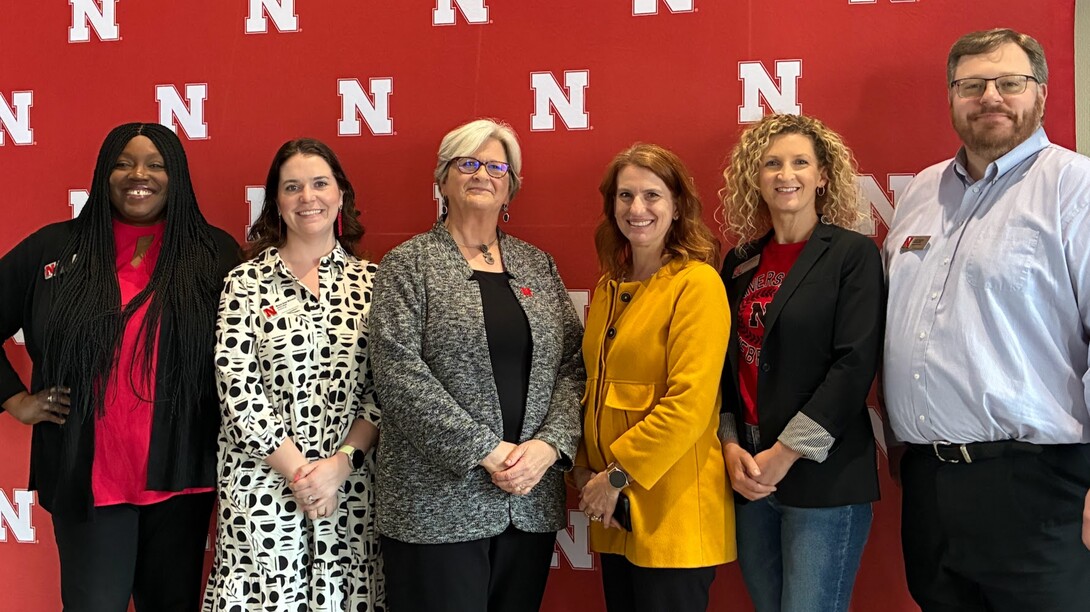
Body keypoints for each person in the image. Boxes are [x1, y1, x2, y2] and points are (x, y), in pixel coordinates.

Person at [884, 28, 1090, 611]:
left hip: (1038, 487)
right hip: (929, 488)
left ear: (1042, 94)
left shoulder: (1076, 189)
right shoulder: (922, 192)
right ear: (951, 97)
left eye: (1009, 82)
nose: (990, 96)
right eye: (972, 85)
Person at [0, 122, 239, 611]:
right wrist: (15, 400)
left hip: (181, 477)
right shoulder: (52, 249)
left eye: (156, 164)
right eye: (124, 162)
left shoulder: (214, 253)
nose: (139, 174)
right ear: (103, 174)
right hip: (89, 477)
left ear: (177, 176)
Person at [369, 118, 585, 612]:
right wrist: (487, 451)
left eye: (495, 166)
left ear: (511, 186)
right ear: (443, 179)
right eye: (467, 163)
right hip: (434, 506)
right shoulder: (409, 264)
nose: (481, 174)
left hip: (527, 502)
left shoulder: (537, 265)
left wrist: (548, 448)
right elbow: (398, 374)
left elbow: (572, 366)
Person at [203, 138, 384, 611]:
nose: (309, 197)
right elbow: (238, 388)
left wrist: (338, 467)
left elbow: (381, 393)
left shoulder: (374, 283)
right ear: (277, 202)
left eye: (320, 183)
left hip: (349, 487)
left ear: (341, 195)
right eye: (293, 187)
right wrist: (302, 475)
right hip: (263, 483)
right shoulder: (244, 283)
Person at [718, 113, 883, 612]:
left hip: (823, 478)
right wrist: (729, 444)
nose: (785, 175)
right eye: (772, 163)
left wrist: (785, 453)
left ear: (823, 175)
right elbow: (727, 367)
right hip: (748, 474)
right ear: (756, 177)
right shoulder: (740, 261)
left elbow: (854, 365)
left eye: (799, 163)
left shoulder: (852, 255)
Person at [574, 143, 733, 612]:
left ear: (677, 205)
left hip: (672, 514)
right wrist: (585, 468)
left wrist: (617, 476)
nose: (637, 209)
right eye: (625, 196)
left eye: (652, 195)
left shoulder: (697, 284)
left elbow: (690, 404)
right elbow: (594, 386)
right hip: (617, 514)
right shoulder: (608, 287)